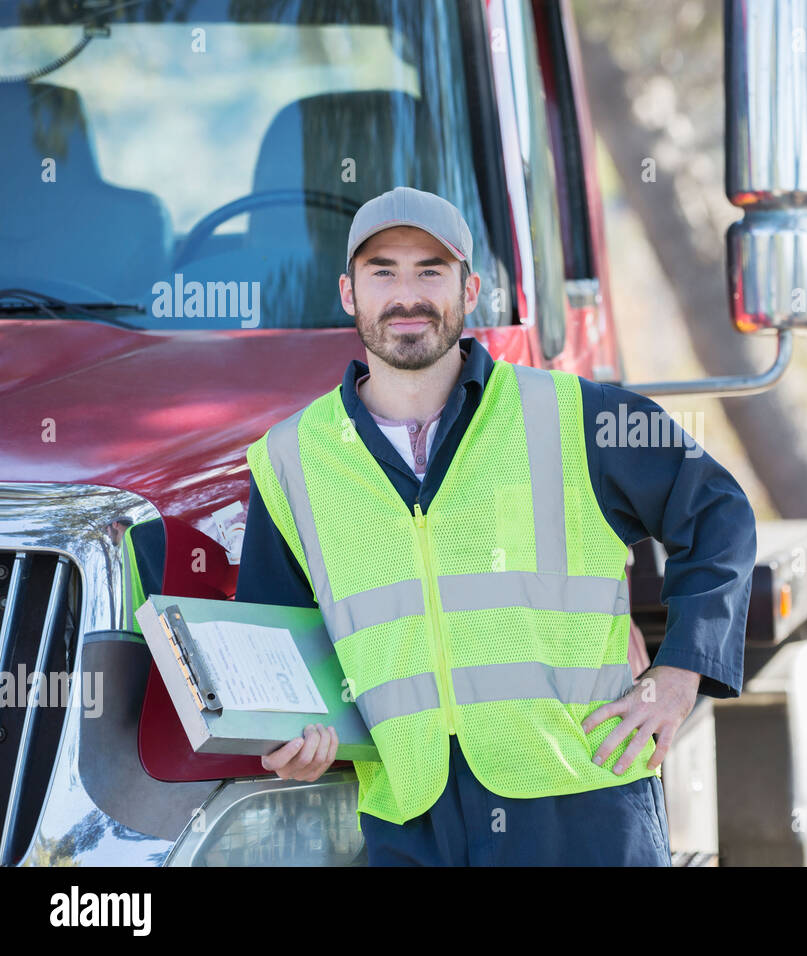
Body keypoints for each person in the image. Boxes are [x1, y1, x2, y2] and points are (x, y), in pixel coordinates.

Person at [236, 186, 756, 866]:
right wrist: (292, 738)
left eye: (431, 270)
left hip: (581, 802)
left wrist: (681, 671)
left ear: (470, 288)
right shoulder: (290, 459)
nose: (407, 294)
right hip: (411, 819)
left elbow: (718, 512)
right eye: (382, 271)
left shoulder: (575, 414)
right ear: (348, 293)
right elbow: (275, 639)